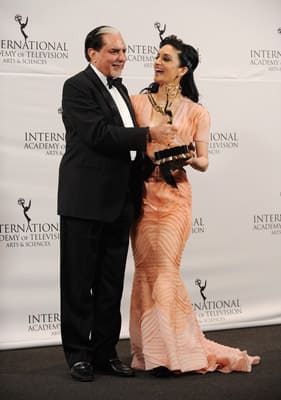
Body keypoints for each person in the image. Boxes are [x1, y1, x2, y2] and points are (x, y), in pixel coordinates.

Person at [129, 35, 260, 376]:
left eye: (167, 58)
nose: (158, 62)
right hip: (141, 197)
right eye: (157, 56)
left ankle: (175, 352)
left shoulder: (198, 112)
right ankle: (150, 353)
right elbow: (125, 144)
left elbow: (204, 162)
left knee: (166, 271)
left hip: (175, 200)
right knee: (145, 273)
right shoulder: (137, 102)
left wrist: (186, 156)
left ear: (183, 69)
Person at [57, 25, 176, 382]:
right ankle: (78, 355)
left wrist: (160, 159)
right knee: (78, 283)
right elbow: (98, 135)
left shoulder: (121, 89)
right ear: (92, 53)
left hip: (119, 201)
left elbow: (127, 149)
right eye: (113, 51)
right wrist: (149, 134)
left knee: (110, 283)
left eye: (123, 51)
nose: (121, 58)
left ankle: (105, 352)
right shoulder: (76, 87)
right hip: (84, 201)